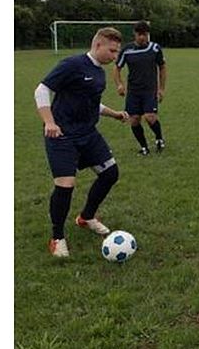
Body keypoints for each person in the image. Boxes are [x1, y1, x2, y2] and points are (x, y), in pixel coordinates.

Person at [35, 27, 130, 258]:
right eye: (112, 50)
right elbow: (42, 90)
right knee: (65, 185)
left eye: (117, 52)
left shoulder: (99, 73)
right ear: (97, 45)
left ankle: (86, 217)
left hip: (88, 133)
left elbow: (90, 103)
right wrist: (49, 122)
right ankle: (57, 237)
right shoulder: (72, 65)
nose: (115, 56)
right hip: (62, 135)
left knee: (110, 173)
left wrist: (114, 113)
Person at [113, 20, 167, 156]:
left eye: (145, 34)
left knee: (150, 117)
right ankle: (144, 148)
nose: (142, 37)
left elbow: (162, 67)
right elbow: (117, 68)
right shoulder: (127, 50)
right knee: (134, 120)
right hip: (133, 91)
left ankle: (159, 139)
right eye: (139, 34)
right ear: (135, 34)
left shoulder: (155, 48)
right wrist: (119, 84)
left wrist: (161, 88)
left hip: (150, 90)